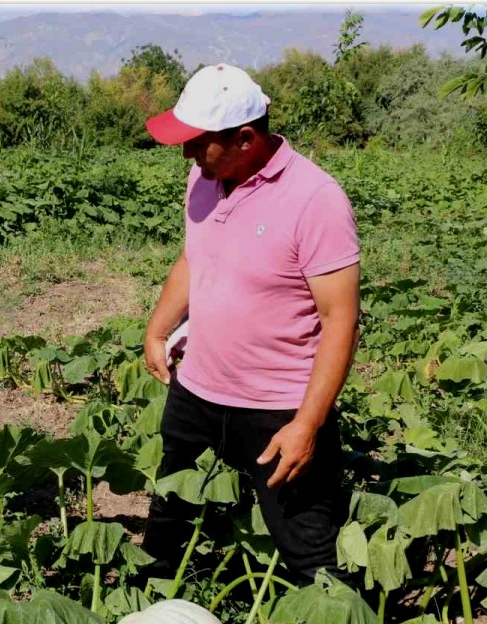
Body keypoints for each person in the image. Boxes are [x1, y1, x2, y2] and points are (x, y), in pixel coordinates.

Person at [139, 64, 361, 585]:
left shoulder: (316, 200)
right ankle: (141, 620)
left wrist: (306, 425)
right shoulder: (206, 177)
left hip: (276, 407)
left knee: (307, 547)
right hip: (196, 390)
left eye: (197, 143)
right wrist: (157, 327)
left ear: (244, 138)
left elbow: (340, 321)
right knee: (169, 518)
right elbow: (195, 256)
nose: (186, 155)